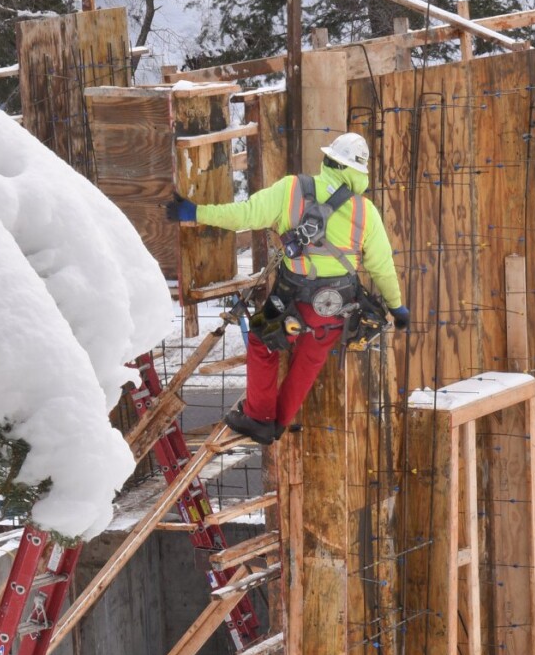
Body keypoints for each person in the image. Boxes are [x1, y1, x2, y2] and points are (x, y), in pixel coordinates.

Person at [168, 132, 409, 445]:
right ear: (358, 172)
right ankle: (279, 422)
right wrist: (396, 307)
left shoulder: (291, 189)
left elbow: (244, 215)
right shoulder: (366, 212)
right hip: (335, 306)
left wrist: (196, 212)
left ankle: (259, 418)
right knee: (310, 358)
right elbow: (381, 266)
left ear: (328, 161)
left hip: (290, 299)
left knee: (262, 341)